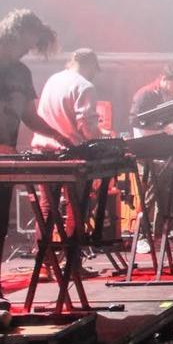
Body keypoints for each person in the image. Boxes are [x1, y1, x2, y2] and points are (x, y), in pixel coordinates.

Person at [0, 9, 69, 296]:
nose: (28, 50)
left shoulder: (21, 72)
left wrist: (58, 134)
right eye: (27, 43)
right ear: (13, 34)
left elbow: (29, 115)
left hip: (2, 161)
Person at [30, 48, 106, 243]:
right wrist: (104, 138)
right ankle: (73, 265)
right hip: (71, 153)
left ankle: (45, 262)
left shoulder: (53, 80)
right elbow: (86, 126)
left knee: (47, 207)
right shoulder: (85, 86)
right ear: (90, 66)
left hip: (43, 151)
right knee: (77, 206)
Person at [129, 62, 173, 137]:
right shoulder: (145, 94)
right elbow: (134, 120)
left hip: (169, 144)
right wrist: (161, 128)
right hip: (146, 143)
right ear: (163, 79)